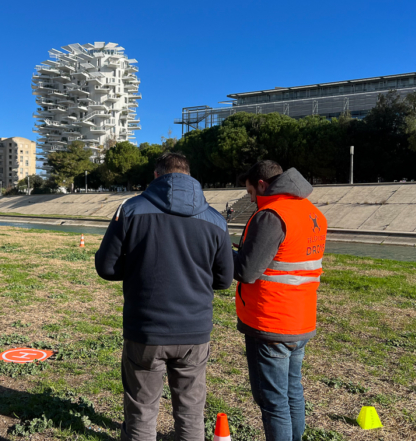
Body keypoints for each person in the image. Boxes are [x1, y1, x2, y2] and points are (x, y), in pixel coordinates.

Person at [95, 152, 234, 441]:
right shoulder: (216, 220)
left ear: (156, 177)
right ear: (190, 176)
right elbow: (223, 279)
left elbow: (106, 266)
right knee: (191, 411)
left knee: (141, 411)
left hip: (145, 331)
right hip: (194, 332)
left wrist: (137, 267)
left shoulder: (131, 209)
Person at [233, 160, 327, 441]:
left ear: (262, 185)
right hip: (301, 319)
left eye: (251, 193)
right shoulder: (313, 213)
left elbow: (247, 272)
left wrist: (224, 251)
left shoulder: (272, 215)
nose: (251, 200)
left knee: (273, 402)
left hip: (271, 321)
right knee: (292, 393)